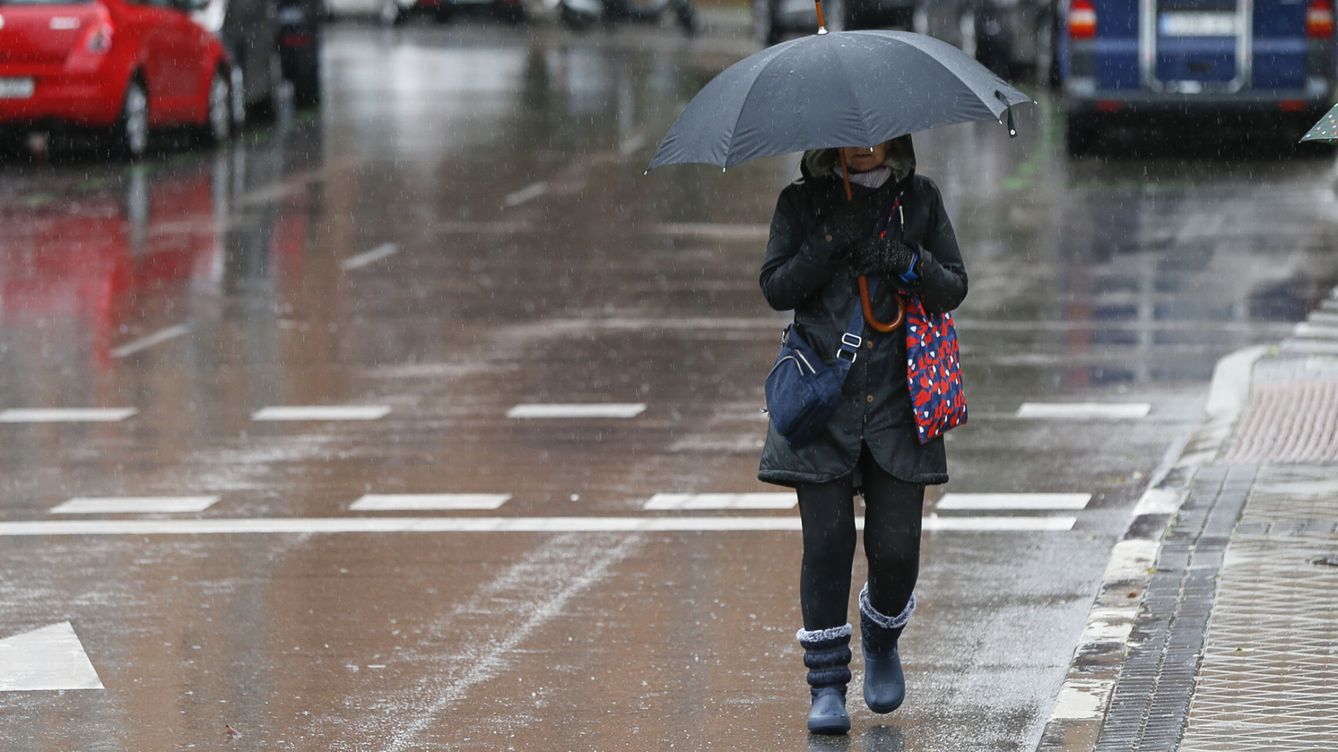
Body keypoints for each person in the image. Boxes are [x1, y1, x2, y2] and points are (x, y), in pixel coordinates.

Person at [757, 135, 967, 735]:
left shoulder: (920, 200)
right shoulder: (800, 204)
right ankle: (826, 685)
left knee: (896, 550)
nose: (861, 148)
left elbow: (953, 285)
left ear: (894, 135)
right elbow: (776, 288)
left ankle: (881, 636)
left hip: (902, 402)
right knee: (826, 545)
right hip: (822, 400)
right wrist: (830, 238)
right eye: (847, 139)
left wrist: (905, 260)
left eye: (873, 136)